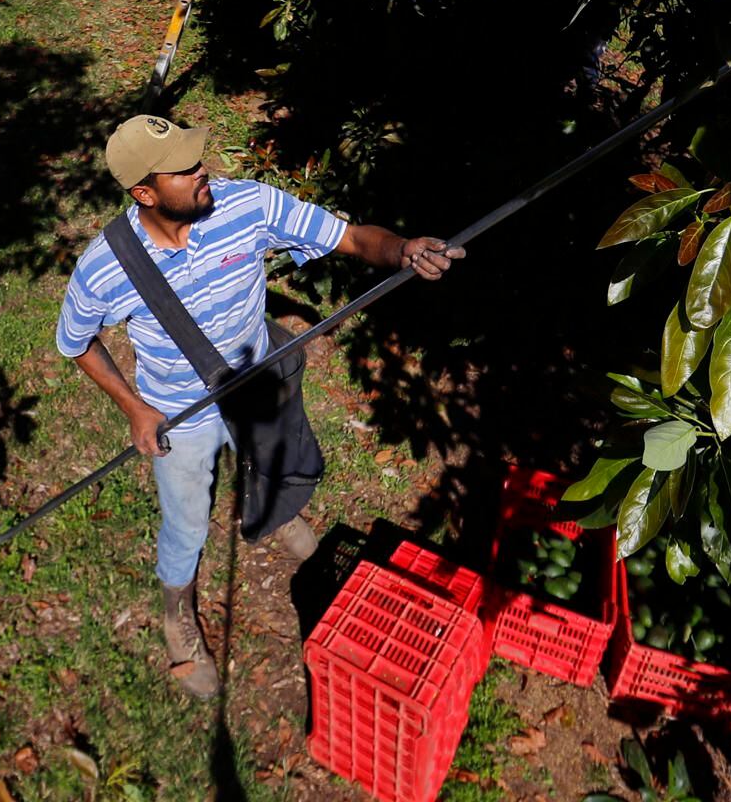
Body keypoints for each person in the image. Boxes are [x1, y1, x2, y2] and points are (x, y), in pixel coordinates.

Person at [54, 114, 463, 698]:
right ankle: (177, 616)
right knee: (188, 520)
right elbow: (76, 343)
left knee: (268, 457)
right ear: (143, 193)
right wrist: (135, 409)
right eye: (186, 170)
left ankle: (273, 508)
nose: (205, 174)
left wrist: (400, 249)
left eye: (201, 159)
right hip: (180, 414)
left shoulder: (247, 206)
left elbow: (348, 237)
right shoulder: (105, 266)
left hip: (254, 384)